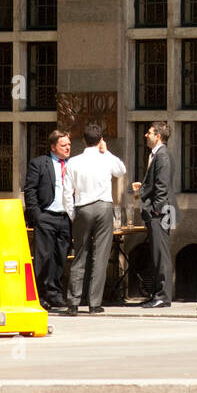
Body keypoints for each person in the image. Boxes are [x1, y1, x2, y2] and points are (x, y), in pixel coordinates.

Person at [63, 123, 126, 315]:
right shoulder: (105, 159)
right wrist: (106, 152)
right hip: (103, 207)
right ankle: (94, 303)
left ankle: (73, 302)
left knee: (80, 253)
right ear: (100, 140)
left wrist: (72, 213)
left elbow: (67, 192)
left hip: (83, 207)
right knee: (100, 256)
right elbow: (121, 170)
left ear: (83, 140)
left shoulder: (73, 162)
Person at [23, 129, 72, 312]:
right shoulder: (39, 163)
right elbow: (30, 190)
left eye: (68, 144)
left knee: (60, 257)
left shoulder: (73, 165)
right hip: (46, 216)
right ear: (53, 147)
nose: (67, 148)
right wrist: (37, 216)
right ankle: (41, 294)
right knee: (44, 257)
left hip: (65, 217)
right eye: (63, 145)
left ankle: (55, 293)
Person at [133, 121, 179, 308]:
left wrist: (156, 209)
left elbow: (162, 185)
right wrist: (143, 187)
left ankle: (163, 296)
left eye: (149, 132)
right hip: (160, 210)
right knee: (157, 253)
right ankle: (157, 294)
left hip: (162, 212)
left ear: (158, 136)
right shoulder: (157, 155)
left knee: (161, 254)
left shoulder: (163, 156)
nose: (146, 135)